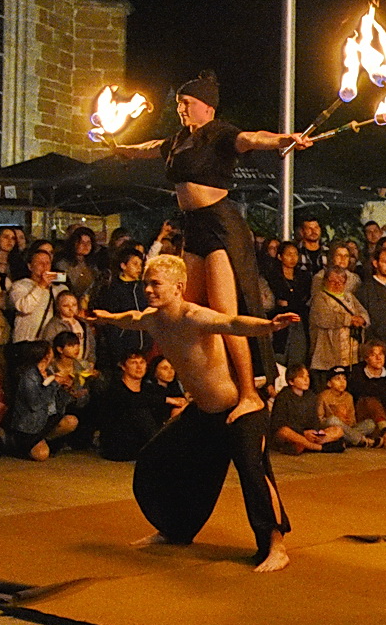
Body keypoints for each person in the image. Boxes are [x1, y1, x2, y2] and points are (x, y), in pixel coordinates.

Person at [109, 71, 312, 417]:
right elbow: (151, 147)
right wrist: (125, 150)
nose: (181, 109)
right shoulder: (177, 140)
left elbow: (250, 138)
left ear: (207, 107)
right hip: (194, 226)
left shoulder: (219, 133)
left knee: (222, 314)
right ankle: (205, 384)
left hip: (222, 225)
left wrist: (281, 139)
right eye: (178, 104)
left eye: (186, 103)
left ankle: (248, 391)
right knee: (187, 310)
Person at [84, 254, 298, 572]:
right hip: (202, 412)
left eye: (155, 284)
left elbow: (232, 323)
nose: (148, 290)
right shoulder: (154, 318)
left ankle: (275, 546)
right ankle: (176, 529)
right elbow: (131, 317)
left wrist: (268, 325)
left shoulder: (194, 316)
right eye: (145, 283)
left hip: (239, 410)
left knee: (254, 473)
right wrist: (108, 318)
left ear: (178, 288)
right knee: (155, 458)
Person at [4, 341, 78, 461]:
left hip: (46, 419)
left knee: (71, 421)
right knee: (41, 455)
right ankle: (19, 445)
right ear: (46, 356)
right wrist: (54, 384)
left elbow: (56, 403)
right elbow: (35, 404)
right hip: (29, 426)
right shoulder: (29, 376)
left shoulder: (49, 372)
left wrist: (68, 391)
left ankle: (44, 440)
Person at [97, 352, 170, 462]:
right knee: (139, 410)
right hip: (118, 445)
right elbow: (132, 401)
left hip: (141, 443)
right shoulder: (115, 389)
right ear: (123, 366)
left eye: (142, 362)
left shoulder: (149, 388)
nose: (139, 367)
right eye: (133, 363)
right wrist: (166, 400)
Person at [309, 267, 368, 383]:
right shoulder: (319, 298)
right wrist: (349, 319)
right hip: (329, 355)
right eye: (333, 281)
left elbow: (363, 312)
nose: (337, 284)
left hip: (351, 355)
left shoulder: (349, 296)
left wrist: (361, 319)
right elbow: (324, 318)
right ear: (325, 281)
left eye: (341, 281)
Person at [270, 364, 343, 454]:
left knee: (338, 430)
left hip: (307, 434)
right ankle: (319, 448)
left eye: (307, 376)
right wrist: (303, 433)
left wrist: (316, 433)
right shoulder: (283, 397)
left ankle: (309, 444)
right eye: (301, 377)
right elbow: (278, 424)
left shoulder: (310, 396)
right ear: (291, 382)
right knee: (285, 431)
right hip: (293, 433)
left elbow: (314, 420)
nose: (306, 380)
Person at [96, 246, 150, 360]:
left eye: (140, 264)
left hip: (144, 346)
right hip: (122, 348)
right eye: (135, 264)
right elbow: (110, 322)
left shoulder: (143, 287)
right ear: (123, 265)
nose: (139, 268)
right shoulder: (113, 289)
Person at [268, 242, 313, 369]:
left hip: (299, 320)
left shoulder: (304, 276)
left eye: (295, 254)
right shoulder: (274, 276)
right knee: (279, 358)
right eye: (288, 254)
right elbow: (275, 301)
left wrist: (289, 302)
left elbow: (304, 299)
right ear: (280, 257)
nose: (293, 258)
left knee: (298, 357)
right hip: (280, 321)